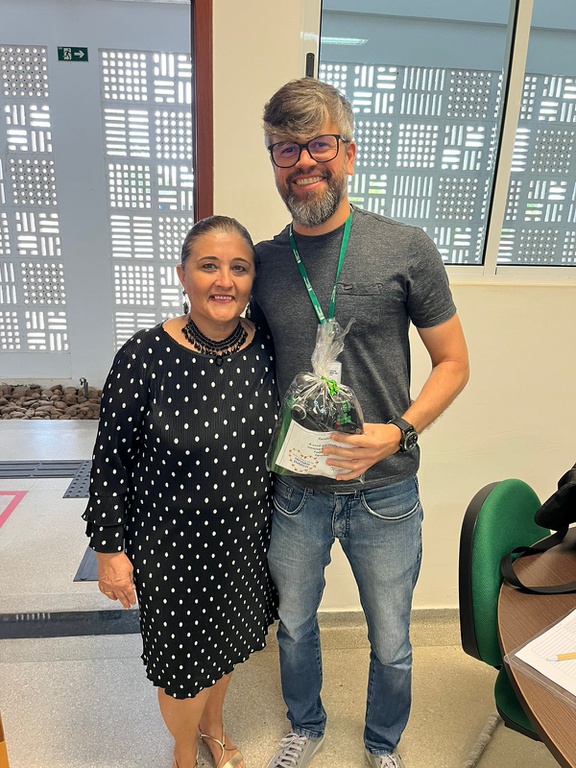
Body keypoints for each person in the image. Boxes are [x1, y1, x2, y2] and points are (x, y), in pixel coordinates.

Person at [251, 78, 470, 768]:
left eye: (319, 144)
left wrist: (398, 431)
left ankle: (382, 743)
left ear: (348, 152)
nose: (304, 162)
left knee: (392, 639)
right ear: (274, 161)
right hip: (296, 491)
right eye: (286, 148)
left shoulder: (405, 247)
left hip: (386, 491)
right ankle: (305, 724)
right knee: (293, 626)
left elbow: (454, 363)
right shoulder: (263, 262)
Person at [83, 215, 278, 768]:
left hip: (245, 541)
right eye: (209, 266)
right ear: (183, 275)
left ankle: (215, 729)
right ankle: (182, 751)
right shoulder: (144, 355)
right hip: (170, 547)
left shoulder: (267, 349)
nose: (225, 280)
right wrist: (109, 551)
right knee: (182, 667)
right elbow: (110, 461)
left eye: (239, 268)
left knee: (227, 646)